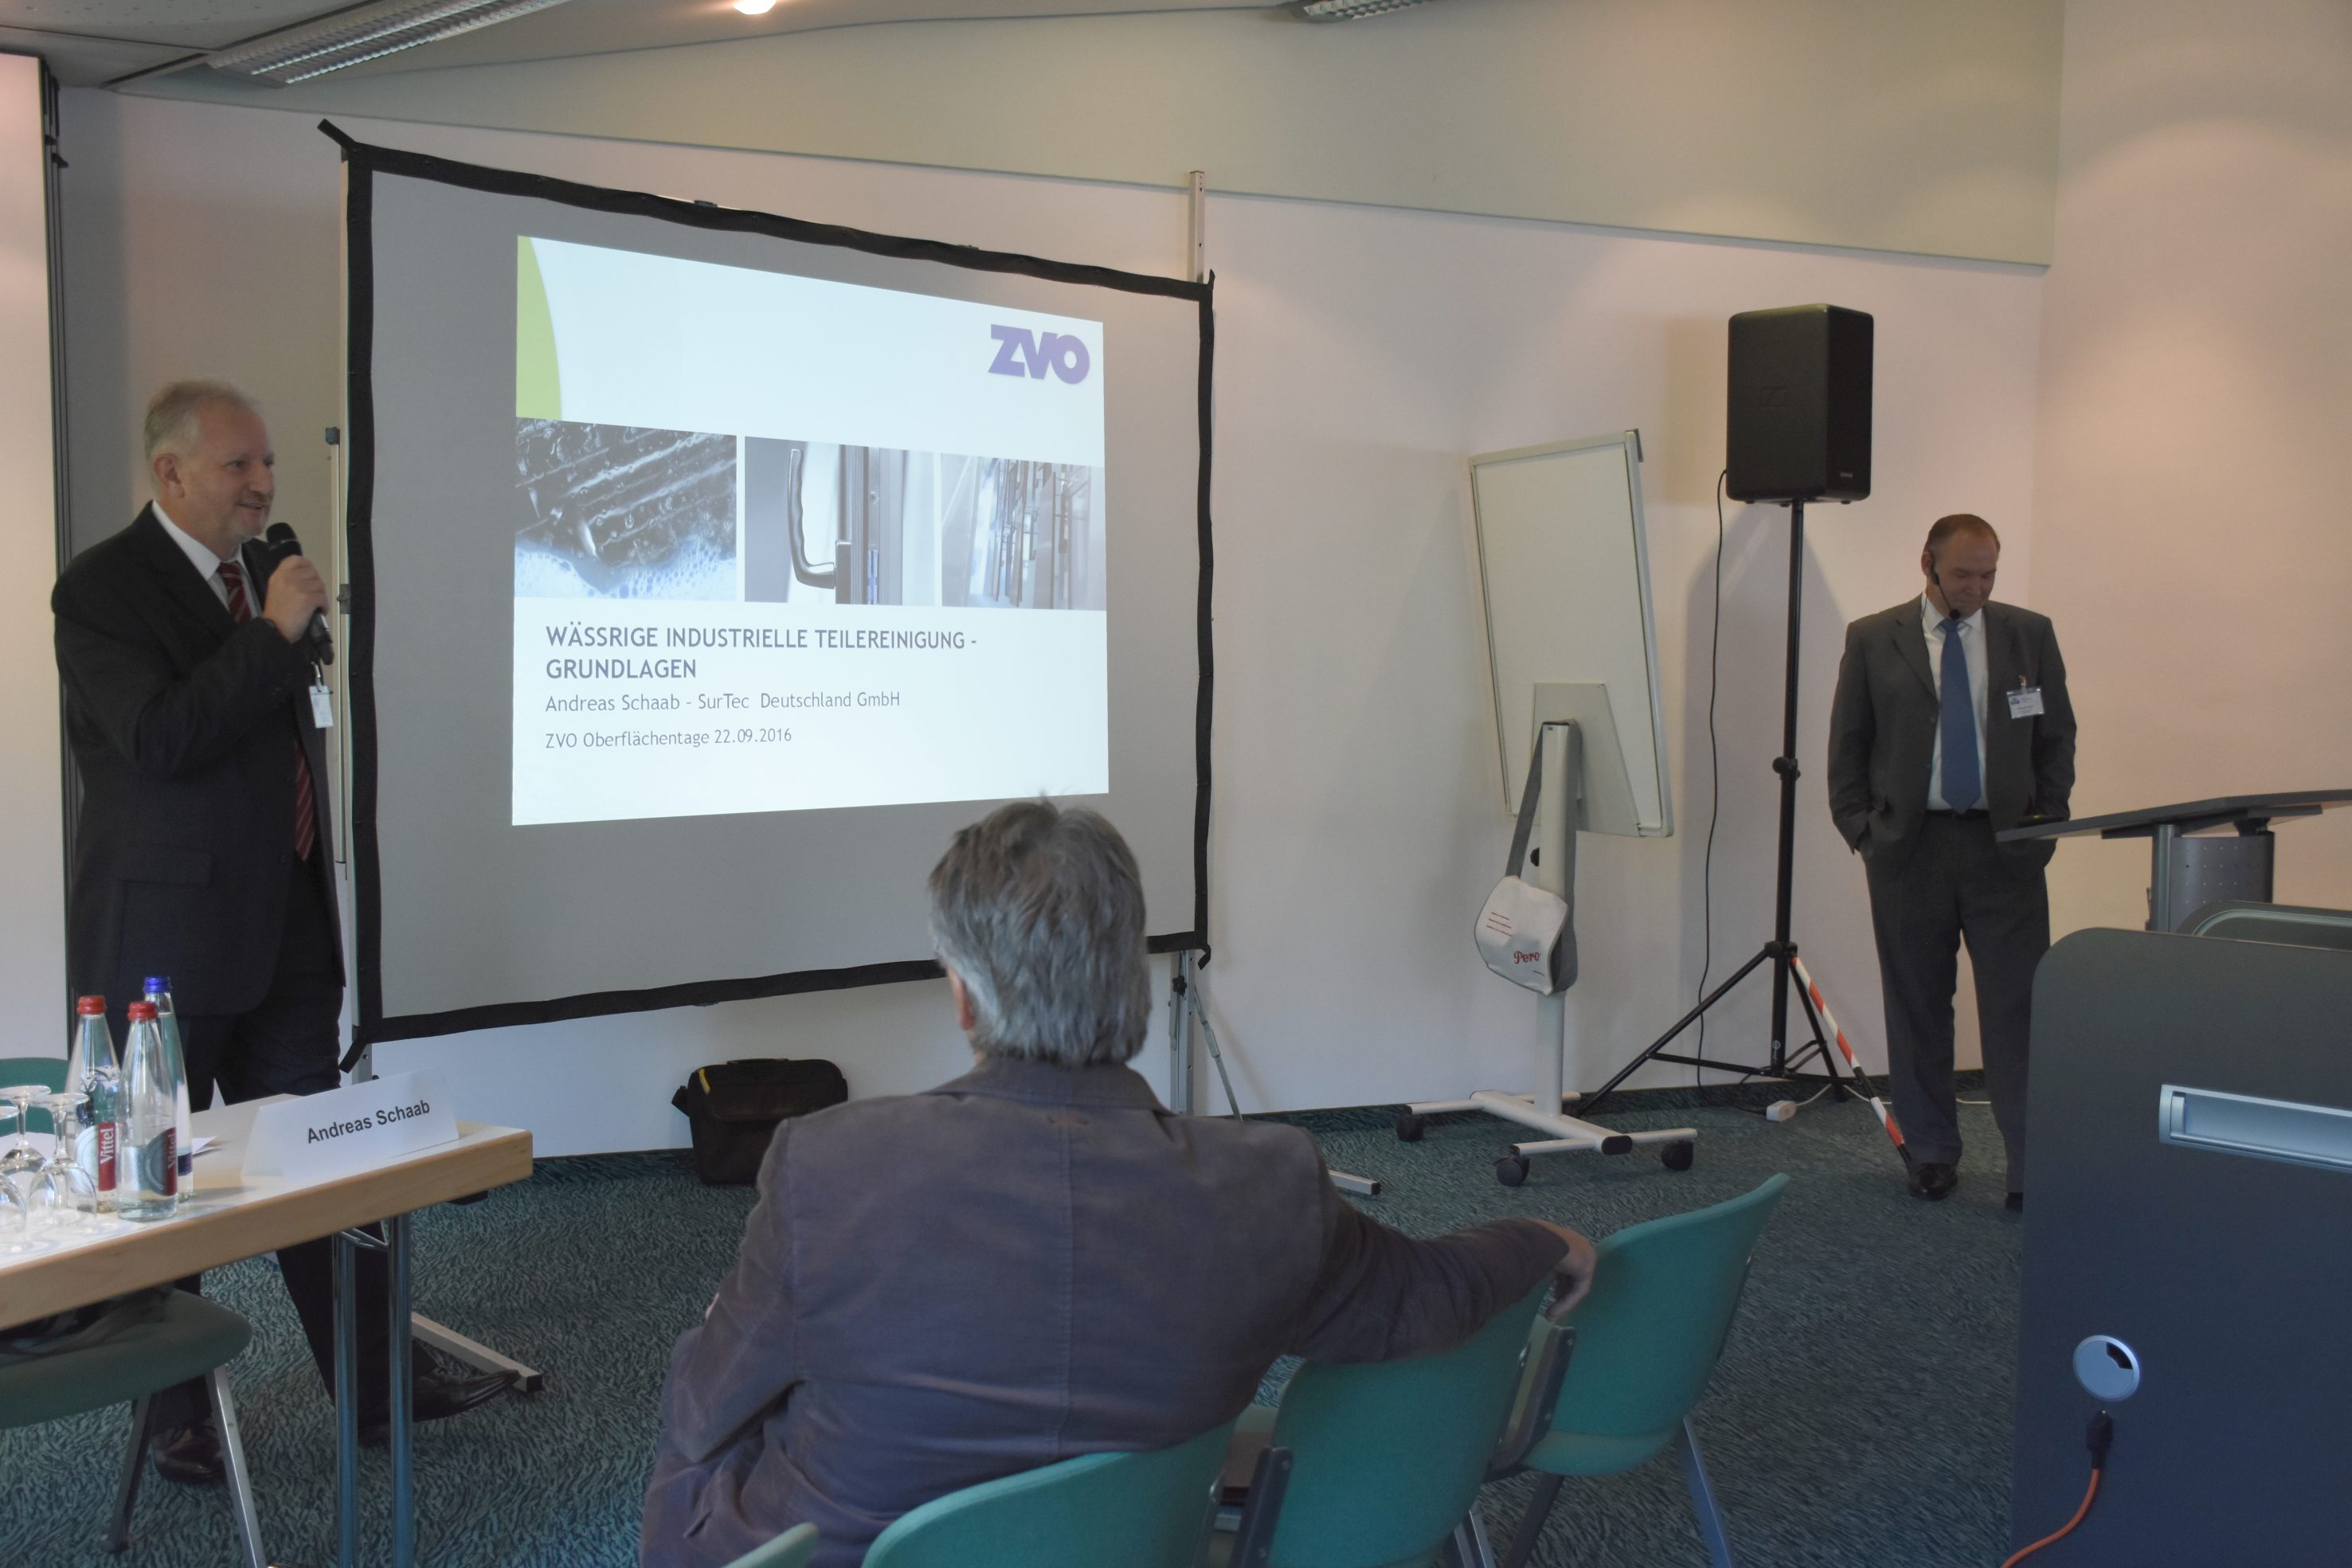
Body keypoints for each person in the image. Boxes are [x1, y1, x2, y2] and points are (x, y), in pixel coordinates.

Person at [640, 802, 1597, 1568]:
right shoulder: (1272, 1183)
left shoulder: (826, 1164)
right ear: (1129, 981)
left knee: (700, 1435)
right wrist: (1539, 1238)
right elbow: (1426, 1298)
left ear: (963, 992)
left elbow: (702, 1407)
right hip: (1142, 1542)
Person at [50, 381, 510, 1484]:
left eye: (267, 464)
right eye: (238, 465)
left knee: (324, 1162)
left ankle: (376, 1380)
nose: (263, 484)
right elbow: (159, 737)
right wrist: (270, 633)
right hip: (164, 945)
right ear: (170, 473)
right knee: (161, 1185)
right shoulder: (101, 589)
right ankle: (173, 1411)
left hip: (290, 930)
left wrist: (276, 625)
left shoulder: (264, 576)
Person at [1826, 514, 2076, 1210]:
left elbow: (2055, 737)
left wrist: (2044, 825)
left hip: (2005, 850)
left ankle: (2028, 1166)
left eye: (1988, 573)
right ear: (1927, 564)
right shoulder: (1873, 638)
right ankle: (1931, 1151)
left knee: (2018, 1009)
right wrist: (1863, 831)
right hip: (1909, 849)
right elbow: (1848, 743)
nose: (1977, 587)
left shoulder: (2029, 633)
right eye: (1963, 573)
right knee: (1917, 1006)